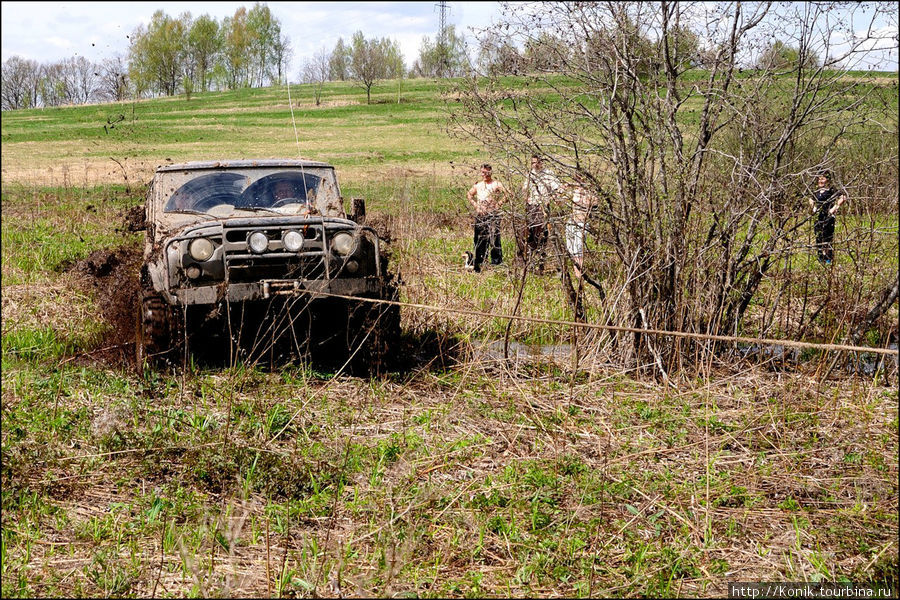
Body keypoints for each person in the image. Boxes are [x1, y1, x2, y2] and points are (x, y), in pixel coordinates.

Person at [521, 154, 561, 273]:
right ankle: (530, 263)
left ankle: (541, 263)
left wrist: (551, 199)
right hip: (531, 208)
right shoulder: (530, 174)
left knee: (542, 236)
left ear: (541, 162)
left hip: (542, 208)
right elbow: (524, 189)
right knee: (528, 235)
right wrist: (526, 199)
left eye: (537, 162)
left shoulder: (548, 174)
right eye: (533, 163)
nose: (535, 165)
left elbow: (557, 189)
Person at [465, 163, 507, 272]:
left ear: (491, 172)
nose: (485, 174)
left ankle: (496, 263)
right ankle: (480, 261)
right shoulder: (478, 185)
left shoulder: (496, 184)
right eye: (483, 172)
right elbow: (469, 194)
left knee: (494, 239)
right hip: (481, 215)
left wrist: (498, 205)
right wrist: (476, 206)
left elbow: (508, 194)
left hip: (492, 215)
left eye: (487, 172)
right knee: (479, 239)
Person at [807, 171, 846, 265]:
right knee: (818, 237)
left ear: (827, 180)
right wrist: (813, 208)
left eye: (823, 178)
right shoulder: (815, 191)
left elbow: (843, 197)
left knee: (827, 238)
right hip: (818, 218)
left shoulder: (831, 190)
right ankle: (820, 259)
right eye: (819, 178)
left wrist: (834, 208)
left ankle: (828, 259)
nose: (820, 181)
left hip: (828, 217)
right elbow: (810, 199)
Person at [564, 174, 596, 279]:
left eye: (580, 178)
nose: (578, 180)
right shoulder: (574, 191)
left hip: (582, 223)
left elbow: (595, 203)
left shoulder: (590, 192)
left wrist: (586, 195)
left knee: (578, 248)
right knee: (570, 249)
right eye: (576, 178)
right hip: (571, 222)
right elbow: (561, 198)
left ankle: (579, 274)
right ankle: (575, 272)